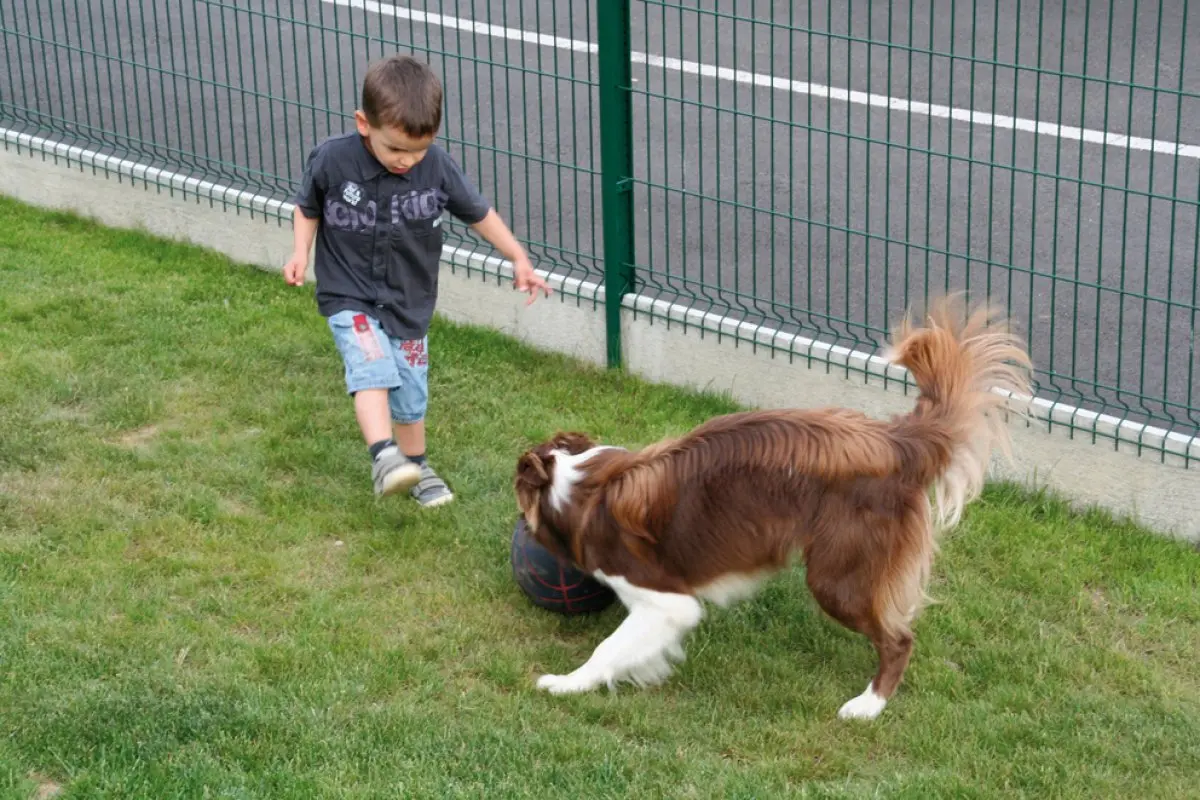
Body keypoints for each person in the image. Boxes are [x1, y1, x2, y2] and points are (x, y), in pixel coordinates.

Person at [283, 53, 550, 508]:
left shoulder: (437, 168)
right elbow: (307, 207)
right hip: (350, 295)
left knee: (410, 391)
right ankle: (384, 455)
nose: (407, 160)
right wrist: (300, 252)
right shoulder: (333, 159)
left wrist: (518, 257)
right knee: (371, 368)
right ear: (363, 124)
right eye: (395, 149)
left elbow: (479, 213)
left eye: (418, 151)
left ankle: (417, 464)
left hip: (409, 301)